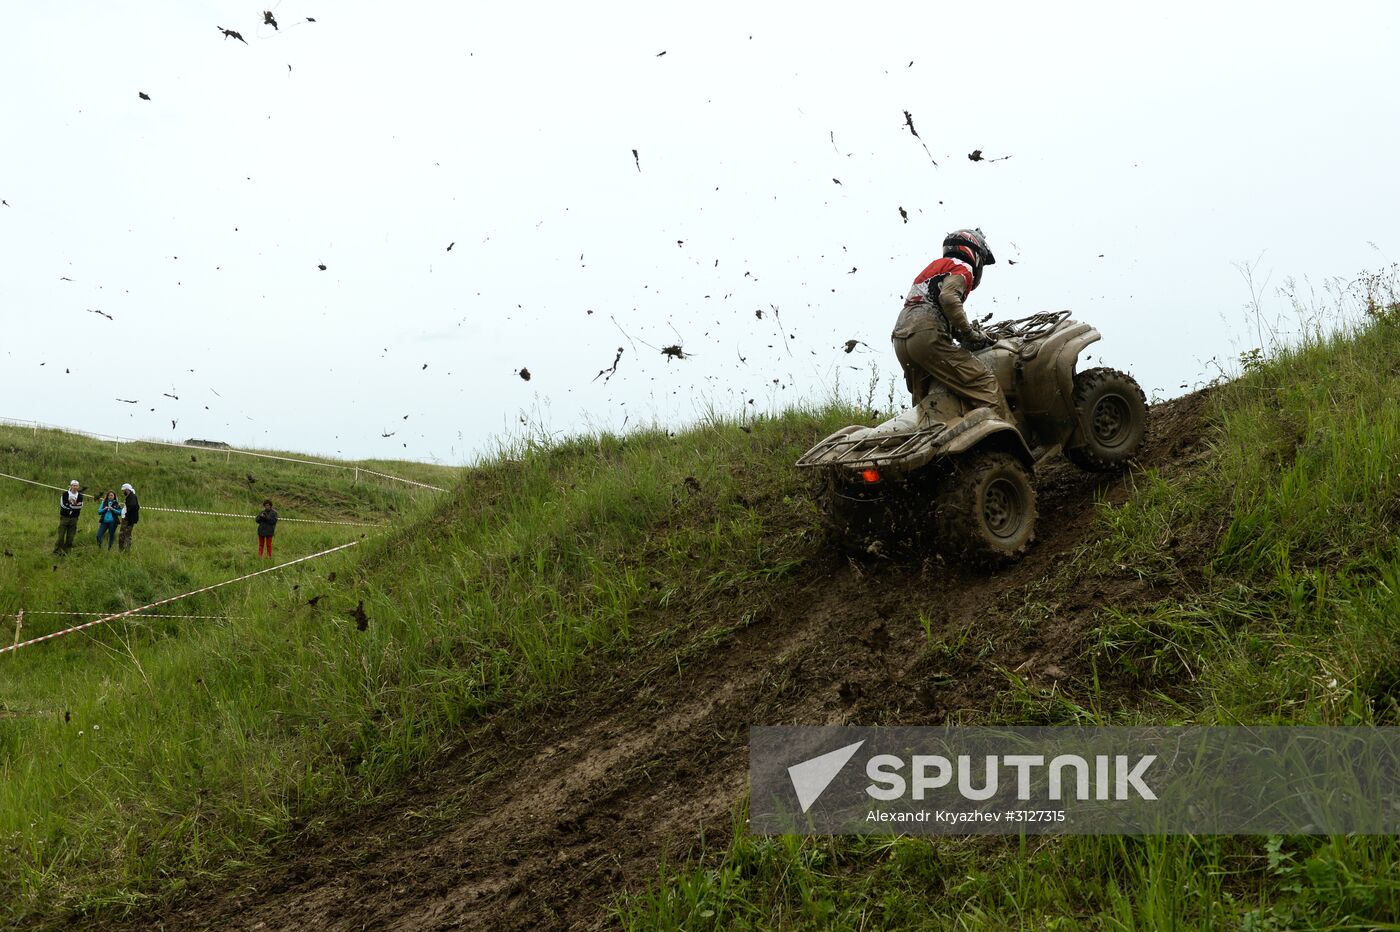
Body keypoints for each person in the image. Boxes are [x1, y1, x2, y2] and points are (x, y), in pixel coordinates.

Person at [890, 227, 1011, 420]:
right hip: (926, 336)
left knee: (927, 403)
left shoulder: (936, 267)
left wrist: (964, 334)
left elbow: (935, 306)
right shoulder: (963, 268)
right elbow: (948, 299)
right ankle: (1005, 440)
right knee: (984, 383)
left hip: (901, 340)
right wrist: (970, 333)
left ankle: (932, 442)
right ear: (975, 253)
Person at [53, 480, 84, 554]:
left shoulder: (80, 496)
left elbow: (80, 506)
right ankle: (57, 550)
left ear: (78, 487)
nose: (74, 487)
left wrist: (71, 505)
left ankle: (66, 551)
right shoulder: (65, 494)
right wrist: (73, 506)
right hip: (64, 517)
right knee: (61, 535)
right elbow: (63, 505)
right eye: (73, 485)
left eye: (76, 486)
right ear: (70, 486)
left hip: (74, 518)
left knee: (70, 537)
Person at [118, 482, 140, 552]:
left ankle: (123, 550)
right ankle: (125, 550)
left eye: (123, 491)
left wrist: (127, 516)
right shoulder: (131, 497)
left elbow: (133, 507)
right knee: (126, 534)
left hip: (127, 520)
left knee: (124, 534)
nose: (123, 492)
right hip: (129, 519)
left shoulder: (132, 497)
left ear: (127, 490)